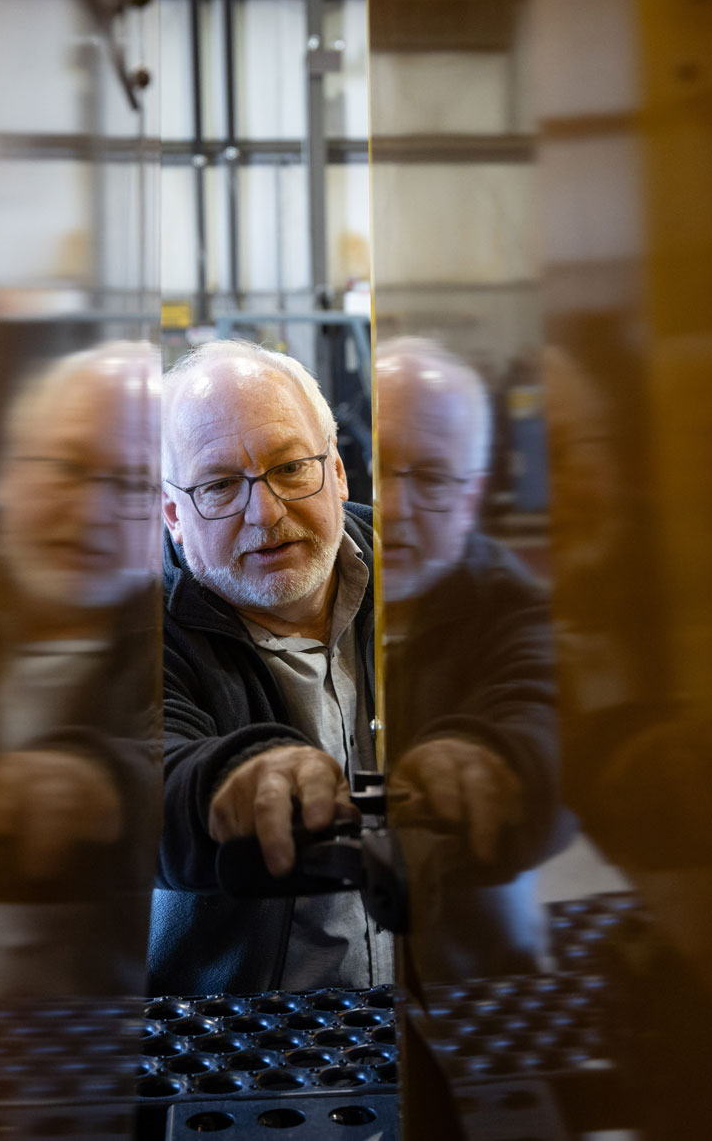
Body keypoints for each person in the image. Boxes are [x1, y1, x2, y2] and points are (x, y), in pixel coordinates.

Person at [146, 336, 562, 994]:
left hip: (456, 1001)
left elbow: (546, 693)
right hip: (243, 1027)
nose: (266, 512)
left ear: (338, 473)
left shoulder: (454, 575)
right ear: (172, 513)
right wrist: (226, 783)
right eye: (220, 485)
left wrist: (501, 756)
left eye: (290, 468)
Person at [0, 341, 164, 998]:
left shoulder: (190, 633)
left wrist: (103, 787)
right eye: (69, 467)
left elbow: (194, 764)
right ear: (6, 472)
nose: (92, 513)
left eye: (133, 485)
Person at [373, 336, 571, 980]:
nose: (392, 507)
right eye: (376, 464)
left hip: (467, 972)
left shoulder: (512, 605)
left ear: (473, 497)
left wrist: (494, 761)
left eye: (431, 478)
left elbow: (546, 713)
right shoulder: (280, 582)